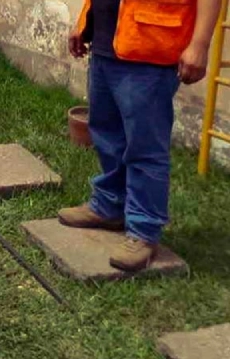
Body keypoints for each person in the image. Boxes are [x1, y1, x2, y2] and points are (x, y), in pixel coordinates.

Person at [59, 0, 221, 272]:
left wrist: (200, 44)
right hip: (106, 45)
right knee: (106, 134)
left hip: (150, 52)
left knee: (145, 148)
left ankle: (144, 230)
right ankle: (109, 206)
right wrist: (84, 22)